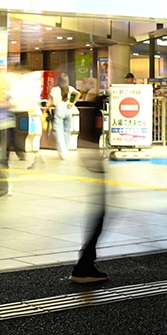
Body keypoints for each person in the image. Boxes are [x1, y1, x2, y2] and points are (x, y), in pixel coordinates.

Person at [69, 80, 109, 284]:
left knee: (98, 214)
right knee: (99, 215)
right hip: (94, 163)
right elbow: (94, 138)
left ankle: (85, 263)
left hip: (88, 160)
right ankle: (84, 266)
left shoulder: (86, 109)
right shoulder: (95, 113)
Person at [49, 73, 75, 162]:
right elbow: (78, 94)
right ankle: (65, 150)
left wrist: (47, 107)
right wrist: (73, 103)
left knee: (58, 131)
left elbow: (52, 102)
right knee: (67, 131)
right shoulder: (70, 88)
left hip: (59, 109)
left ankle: (62, 151)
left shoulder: (55, 90)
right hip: (68, 109)